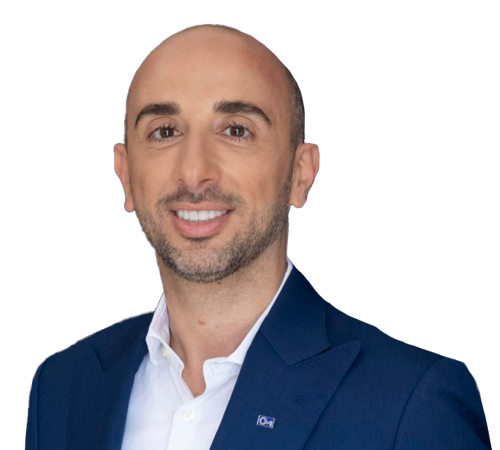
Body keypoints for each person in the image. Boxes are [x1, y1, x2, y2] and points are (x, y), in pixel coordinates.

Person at [25, 24, 491, 450]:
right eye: (164, 131)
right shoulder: (63, 389)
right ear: (126, 174)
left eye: (235, 130)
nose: (194, 172)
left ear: (300, 174)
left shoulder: (411, 403)